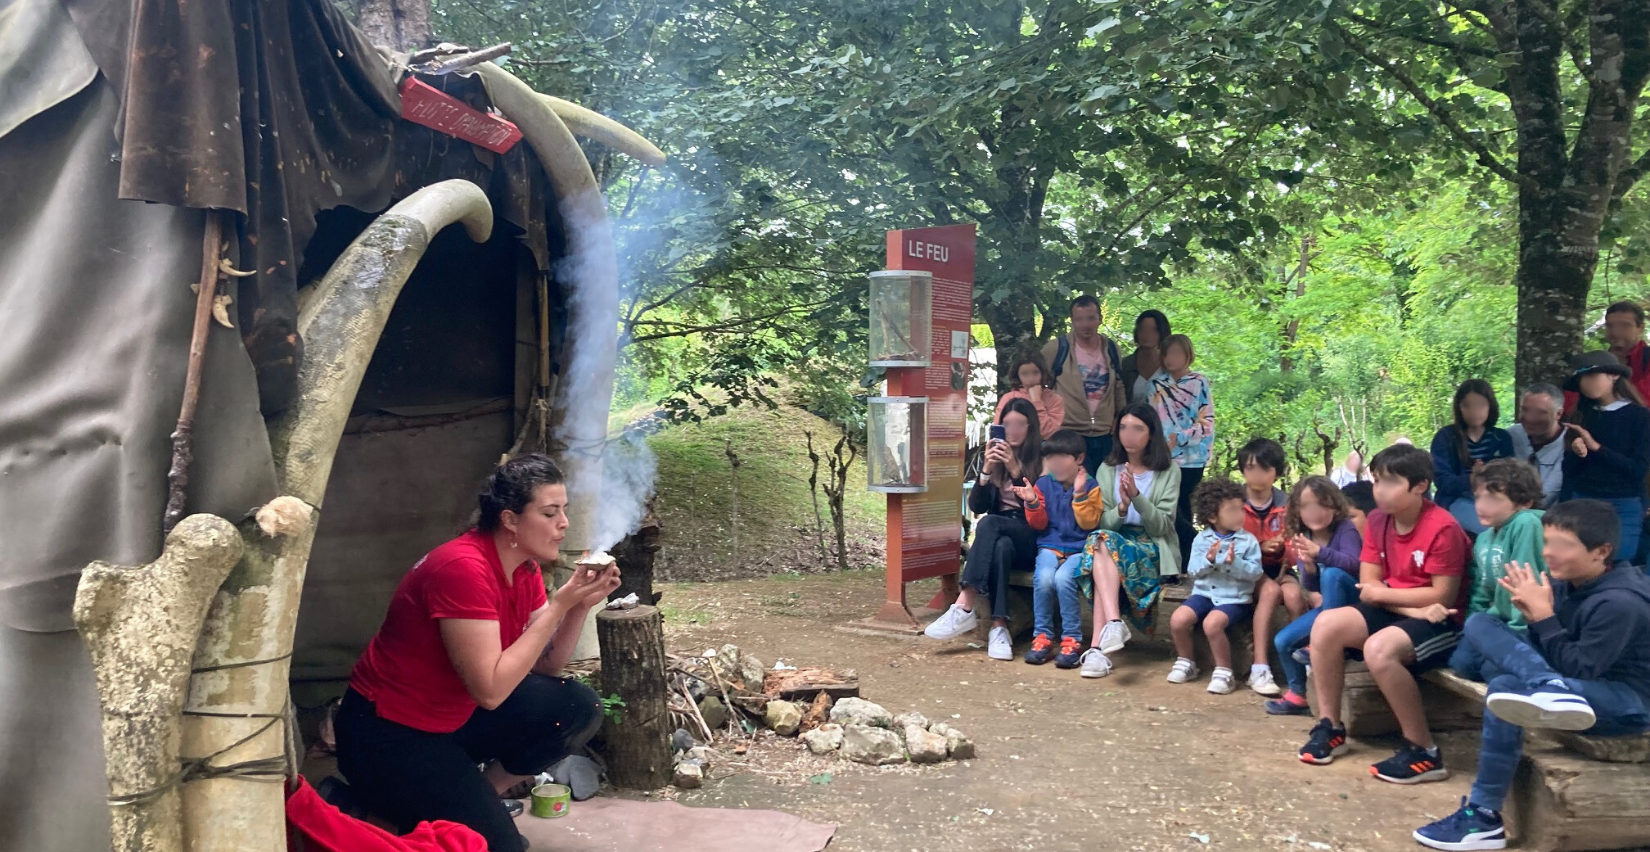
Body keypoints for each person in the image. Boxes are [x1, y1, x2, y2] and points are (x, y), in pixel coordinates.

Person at [335, 454, 618, 852]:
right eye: (550, 513)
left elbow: (547, 663)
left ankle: (479, 795)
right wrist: (558, 605)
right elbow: (491, 690)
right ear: (510, 520)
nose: (564, 524)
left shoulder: (524, 568)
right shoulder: (462, 569)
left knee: (573, 706)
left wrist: (579, 606)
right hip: (389, 736)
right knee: (500, 847)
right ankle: (368, 806)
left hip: (452, 719)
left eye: (564, 511)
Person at [1412, 501, 1650, 851]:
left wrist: (1543, 618)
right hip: (1568, 685)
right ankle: (1486, 818)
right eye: (1547, 542)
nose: (1548, 553)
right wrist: (1533, 616)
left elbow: (1580, 668)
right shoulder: (1574, 582)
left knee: (1505, 684)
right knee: (1481, 626)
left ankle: (1482, 813)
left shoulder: (1621, 602)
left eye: (1562, 545)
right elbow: (1556, 653)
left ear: (1601, 552)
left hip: (1624, 702)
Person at [1298, 444, 1471, 784]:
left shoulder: (1443, 527)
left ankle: (1425, 752)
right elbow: (1368, 585)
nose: (1379, 490)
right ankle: (1330, 727)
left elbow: (1442, 596)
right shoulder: (1378, 520)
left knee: (1379, 649)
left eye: (1391, 482)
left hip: (1444, 621)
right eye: (1376, 480)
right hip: (1409, 610)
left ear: (1419, 485)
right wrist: (1406, 605)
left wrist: (1386, 597)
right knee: (1326, 624)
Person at [926, 399, 1043, 659]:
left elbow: (1038, 506)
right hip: (1000, 532)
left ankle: (964, 604)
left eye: (1019, 424)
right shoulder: (994, 458)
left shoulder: (1041, 458)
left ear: (1030, 427)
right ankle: (999, 627)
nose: (1012, 430)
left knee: (989, 524)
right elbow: (977, 505)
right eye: (1007, 424)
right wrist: (987, 470)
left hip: (1031, 532)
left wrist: (1015, 468)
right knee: (999, 545)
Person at [1075, 403, 1182, 679]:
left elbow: (1162, 525)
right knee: (1102, 542)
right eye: (1123, 427)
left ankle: (1098, 647)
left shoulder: (1168, 470)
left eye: (1138, 428)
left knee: (1101, 548)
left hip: (1154, 547)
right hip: (1114, 543)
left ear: (1151, 433)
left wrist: (1136, 496)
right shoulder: (1108, 469)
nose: (1129, 435)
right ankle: (1109, 630)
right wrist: (1121, 508)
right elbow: (1104, 523)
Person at [1266, 476, 1363, 716]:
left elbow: (1354, 565)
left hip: (1353, 606)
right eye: (1307, 506)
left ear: (1334, 505)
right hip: (1328, 606)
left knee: (1332, 574)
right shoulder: (1303, 535)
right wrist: (1308, 566)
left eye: (1322, 504)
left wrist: (1321, 553)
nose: (1315, 512)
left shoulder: (1345, 529)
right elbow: (1312, 585)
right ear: (1298, 510)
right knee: (1283, 641)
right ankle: (1298, 695)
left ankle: (1324, 638)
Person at [1448, 459, 1548, 682]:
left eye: (1493, 499)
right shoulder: (1484, 538)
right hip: (1496, 624)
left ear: (1524, 503)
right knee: (1461, 664)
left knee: (1494, 672)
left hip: (1526, 626)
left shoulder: (1526, 523)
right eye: (1478, 497)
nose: (1481, 506)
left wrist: (1517, 630)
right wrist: (1472, 632)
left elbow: (1525, 579)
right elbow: (1480, 589)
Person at [1168, 478, 1263, 694]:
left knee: (1212, 624)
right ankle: (1187, 662)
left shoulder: (1248, 541)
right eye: (1231, 510)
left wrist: (1235, 564)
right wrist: (1208, 561)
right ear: (1212, 516)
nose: (1239, 515)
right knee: (1178, 620)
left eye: (1241, 509)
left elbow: (1255, 573)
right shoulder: (1202, 539)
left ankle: (1224, 672)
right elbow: (1193, 570)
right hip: (1204, 595)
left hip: (1234, 598)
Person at [1022, 430, 1105, 668]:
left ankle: (1072, 639)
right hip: (1049, 545)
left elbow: (1089, 523)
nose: (1055, 464)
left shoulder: (1091, 486)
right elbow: (1038, 524)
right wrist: (1032, 502)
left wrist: (1078, 494)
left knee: (1063, 580)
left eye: (1061, 458)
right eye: (1050, 459)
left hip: (1080, 548)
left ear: (1078, 459)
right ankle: (1043, 637)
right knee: (1045, 578)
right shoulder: (1042, 484)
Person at [1562, 351, 1650, 561]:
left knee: (1618, 560)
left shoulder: (1640, 416)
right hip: (1583, 501)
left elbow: (1637, 469)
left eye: (1592, 376)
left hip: (1624, 502)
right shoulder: (1580, 415)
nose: (1586, 383)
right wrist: (1576, 451)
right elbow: (1568, 472)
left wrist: (1596, 448)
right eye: (1581, 378)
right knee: (1579, 562)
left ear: (1614, 375)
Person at [1149, 333, 1214, 572]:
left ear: (1188, 355)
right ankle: (1176, 560)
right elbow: (1151, 422)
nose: (1171, 358)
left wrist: (1183, 437)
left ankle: (1191, 563)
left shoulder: (1199, 382)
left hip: (1193, 458)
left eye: (1176, 353)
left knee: (1186, 509)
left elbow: (1207, 420)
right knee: (1168, 510)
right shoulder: (1156, 385)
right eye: (1167, 353)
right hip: (1163, 458)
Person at [1042, 295, 1126, 477]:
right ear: (1072, 321)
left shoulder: (1111, 348)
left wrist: (1120, 417)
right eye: (1079, 319)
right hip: (1068, 433)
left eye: (1091, 318)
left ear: (1100, 319)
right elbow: (1036, 385)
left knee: (1104, 491)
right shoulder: (1056, 348)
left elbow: (1119, 385)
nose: (1085, 324)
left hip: (1105, 434)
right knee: (1076, 491)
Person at [1238, 438, 1292, 697]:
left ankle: (1300, 664)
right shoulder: (1232, 503)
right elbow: (1226, 542)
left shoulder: (1288, 504)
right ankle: (1260, 666)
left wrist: (1283, 548)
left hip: (1280, 568)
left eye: (1264, 468)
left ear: (1276, 472)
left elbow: (1297, 545)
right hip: (1243, 571)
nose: (1256, 474)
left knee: (1293, 596)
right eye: (1250, 467)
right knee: (1270, 592)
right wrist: (1259, 547)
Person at [1430, 379, 1515, 536]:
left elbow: (1510, 476)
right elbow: (1442, 481)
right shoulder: (1446, 437)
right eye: (1467, 405)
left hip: (1495, 498)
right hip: (1456, 500)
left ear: (1490, 406)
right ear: (1459, 408)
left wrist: (1487, 477)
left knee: (1518, 524)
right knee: (1489, 529)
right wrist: (1473, 478)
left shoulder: (1501, 438)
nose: (1474, 411)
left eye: (1481, 405)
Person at [1507, 383, 1569, 508]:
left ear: (1559, 414)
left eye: (1540, 412)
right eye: (1525, 410)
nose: (1530, 418)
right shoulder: (1511, 435)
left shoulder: (1570, 442)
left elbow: (1546, 495)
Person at [994, 349, 1066, 440]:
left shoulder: (1054, 399)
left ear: (1043, 373)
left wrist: (1037, 401)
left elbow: (1048, 433)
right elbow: (998, 432)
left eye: (1035, 373)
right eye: (1024, 374)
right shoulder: (1009, 398)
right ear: (1018, 376)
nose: (1030, 379)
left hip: (1042, 451)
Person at [1121, 309, 1171, 404]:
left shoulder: (1171, 365)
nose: (1147, 334)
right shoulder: (1125, 365)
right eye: (1143, 329)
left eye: (1154, 330)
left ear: (1162, 333)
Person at [1605, 300, 1650, 403]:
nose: (1615, 332)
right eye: (1610, 326)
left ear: (1641, 328)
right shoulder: (1597, 362)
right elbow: (1570, 402)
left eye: (1625, 325)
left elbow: (1645, 397)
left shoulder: (1646, 358)